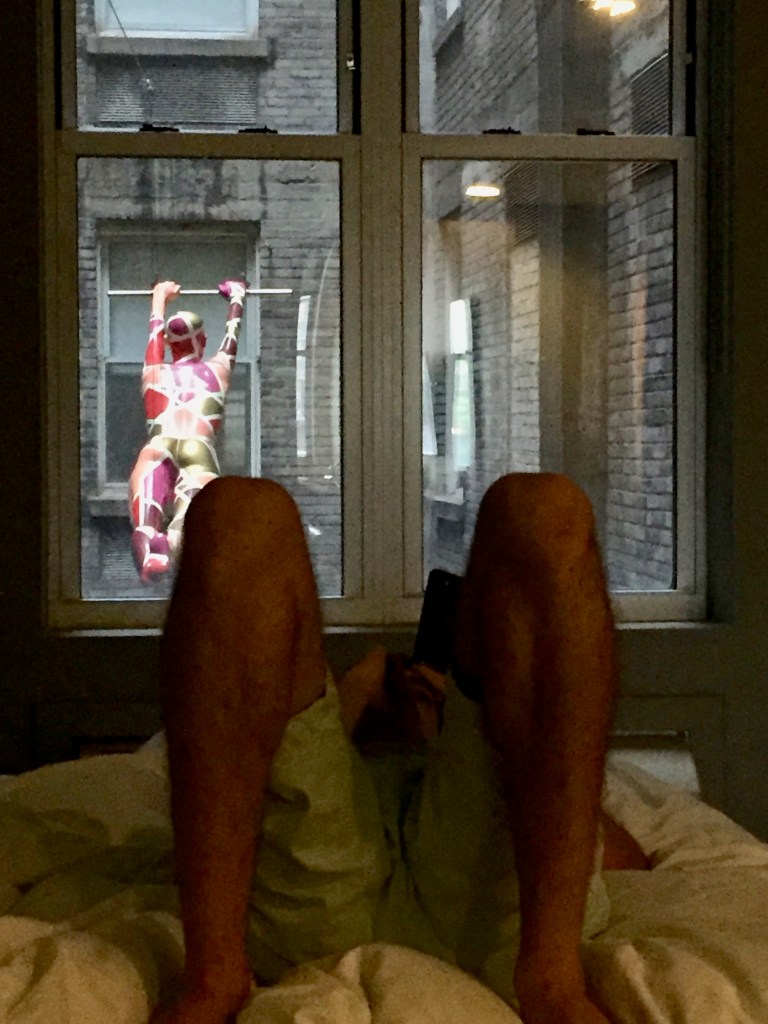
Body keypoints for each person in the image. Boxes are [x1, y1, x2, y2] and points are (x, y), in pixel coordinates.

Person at [151, 472, 647, 1024]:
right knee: (238, 514)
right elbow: (241, 746)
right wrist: (358, 698)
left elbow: (620, 849)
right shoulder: (335, 740)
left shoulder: (470, 739)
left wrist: (442, 717)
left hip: (498, 911)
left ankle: (553, 981)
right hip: (315, 886)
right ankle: (213, 977)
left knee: (544, 510)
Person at [129, 278, 247, 582]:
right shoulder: (218, 370)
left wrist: (159, 298)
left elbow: (154, 335)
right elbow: (232, 336)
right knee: (188, 525)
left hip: (159, 444)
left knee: (146, 521)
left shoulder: (154, 372)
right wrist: (237, 298)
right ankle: (174, 545)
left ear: (170, 344)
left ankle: (151, 550)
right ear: (202, 341)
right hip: (198, 447)